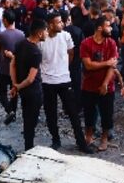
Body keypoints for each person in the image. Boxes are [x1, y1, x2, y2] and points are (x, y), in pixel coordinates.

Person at [38, 13, 92, 153]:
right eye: (58, 22)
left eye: (61, 21)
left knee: (73, 113)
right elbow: (38, 59)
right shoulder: (41, 40)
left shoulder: (66, 36)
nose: (62, 24)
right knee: (51, 113)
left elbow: (71, 53)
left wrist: (64, 68)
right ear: (50, 24)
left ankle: (81, 143)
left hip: (64, 80)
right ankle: (56, 140)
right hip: (48, 81)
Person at [80, 17, 123, 151]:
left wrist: (105, 84)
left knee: (107, 114)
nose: (111, 29)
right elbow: (88, 65)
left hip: (107, 86)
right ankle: (88, 136)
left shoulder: (111, 43)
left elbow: (112, 66)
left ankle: (104, 139)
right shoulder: (86, 43)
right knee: (89, 113)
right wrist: (106, 63)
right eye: (108, 26)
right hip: (89, 85)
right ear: (99, 28)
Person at [9, 20, 45, 150]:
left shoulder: (20, 44)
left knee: (26, 118)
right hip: (33, 91)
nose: (47, 33)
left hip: (23, 91)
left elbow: (12, 64)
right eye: (45, 31)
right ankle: (29, 148)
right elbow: (30, 79)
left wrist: (15, 85)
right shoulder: (36, 52)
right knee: (31, 121)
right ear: (40, 33)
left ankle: (27, 145)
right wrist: (17, 87)